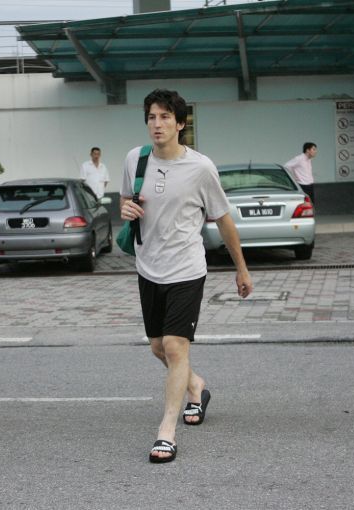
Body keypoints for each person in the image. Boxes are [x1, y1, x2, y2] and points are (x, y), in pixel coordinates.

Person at [120, 89, 253, 464]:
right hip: (148, 267)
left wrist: (241, 268)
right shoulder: (135, 159)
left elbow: (223, 220)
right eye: (151, 117)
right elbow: (126, 201)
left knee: (176, 347)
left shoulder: (201, 168)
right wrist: (126, 209)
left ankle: (166, 431)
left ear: (180, 124)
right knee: (158, 347)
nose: (157, 124)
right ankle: (196, 385)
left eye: (165, 117)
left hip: (186, 269)